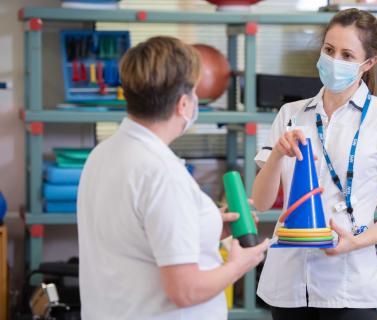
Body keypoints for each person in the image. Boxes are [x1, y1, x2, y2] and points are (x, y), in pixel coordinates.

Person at [252, 8, 377, 320]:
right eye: (329, 50)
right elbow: (263, 203)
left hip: (349, 282)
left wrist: (355, 243)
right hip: (289, 282)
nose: (335, 61)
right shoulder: (290, 114)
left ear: (368, 63)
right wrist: (277, 153)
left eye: (348, 55)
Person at [77, 36, 269, 320]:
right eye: (193, 92)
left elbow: (139, 235)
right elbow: (185, 291)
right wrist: (240, 265)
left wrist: (209, 225)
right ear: (183, 104)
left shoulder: (103, 153)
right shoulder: (161, 173)